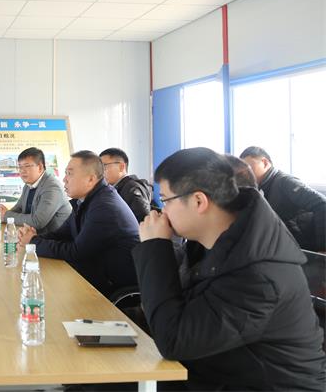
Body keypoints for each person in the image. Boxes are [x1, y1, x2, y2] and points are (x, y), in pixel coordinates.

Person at [134, 147, 325, 391]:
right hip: (218, 373)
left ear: (199, 201)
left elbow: (174, 340)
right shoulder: (210, 245)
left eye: (165, 200)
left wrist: (155, 247)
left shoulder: (259, 276)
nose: (162, 211)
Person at [18, 150, 140, 297]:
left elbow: (76, 252)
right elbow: (62, 234)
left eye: (70, 174)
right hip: (93, 271)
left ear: (91, 179)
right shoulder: (84, 200)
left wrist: (33, 242)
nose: (64, 179)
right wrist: (34, 238)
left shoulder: (104, 206)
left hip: (113, 284)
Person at [240, 146, 326, 252]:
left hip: (306, 249)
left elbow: (322, 204)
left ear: (265, 163)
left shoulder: (285, 182)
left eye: (248, 168)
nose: (245, 174)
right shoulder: (262, 187)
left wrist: (323, 248)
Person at [0, 147, 70, 234]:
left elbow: (37, 222)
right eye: (20, 167)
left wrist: (6, 216)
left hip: (55, 239)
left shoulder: (52, 187)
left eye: (27, 166)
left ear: (40, 167)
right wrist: (1, 213)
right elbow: (19, 208)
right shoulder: (28, 185)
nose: (22, 171)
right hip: (34, 237)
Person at [99, 148, 155, 222]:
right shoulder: (119, 188)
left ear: (121, 167)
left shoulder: (132, 189)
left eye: (104, 167)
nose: (100, 172)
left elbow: (143, 220)